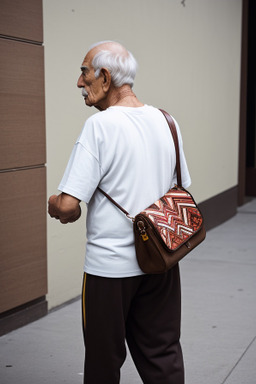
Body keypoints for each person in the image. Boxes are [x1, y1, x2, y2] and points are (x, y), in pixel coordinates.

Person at [48, 40, 191, 384]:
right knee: (163, 354)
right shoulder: (167, 121)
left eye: (84, 73)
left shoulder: (100, 127)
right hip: (162, 259)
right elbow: (181, 187)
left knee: (103, 361)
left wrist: (52, 203)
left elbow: (68, 207)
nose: (79, 83)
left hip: (109, 271)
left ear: (105, 77)